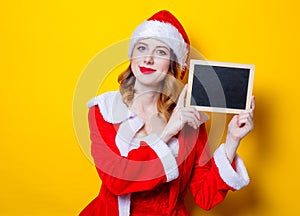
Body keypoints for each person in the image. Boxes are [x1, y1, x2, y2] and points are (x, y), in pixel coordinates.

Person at [79, 10, 255, 216]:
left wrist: (233, 140)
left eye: (161, 52)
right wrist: (167, 133)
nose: (148, 59)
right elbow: (115, 181)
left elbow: (205, 196)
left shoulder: (191, 121)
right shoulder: (105, 111)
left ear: (173, 65)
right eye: (142, 48)